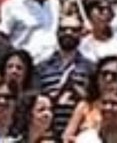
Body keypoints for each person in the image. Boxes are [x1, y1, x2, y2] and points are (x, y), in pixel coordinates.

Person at [35, 12, 92, 143]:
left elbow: (93, 101)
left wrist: (76, 90)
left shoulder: (91, 68)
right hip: (47, 134)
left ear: (81, 34)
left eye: (74, 30)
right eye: (63, 29)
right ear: (56, 33)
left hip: (81, 134)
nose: (68, 32)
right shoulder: (41, 68)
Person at [0, 0, 60, 66]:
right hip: (27, 65)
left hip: (52, 64)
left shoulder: (55, 3)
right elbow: (3, 35)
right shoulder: (13, 5)